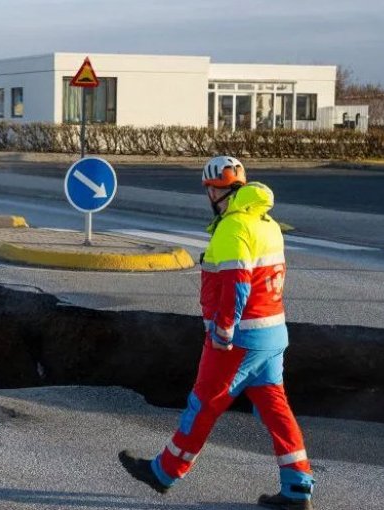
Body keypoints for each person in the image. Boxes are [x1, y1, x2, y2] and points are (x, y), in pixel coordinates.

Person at [118, 156, 315, 510]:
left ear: (215, 190)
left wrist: (223, 330)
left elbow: (236, 284)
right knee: (276, 410)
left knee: (203, 404)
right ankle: (298, 486)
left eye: (209, 189)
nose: (208, 195)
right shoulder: (266, 222)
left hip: (239, 339)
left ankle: (164, 472)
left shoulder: (233, 227)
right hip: (272, 334)